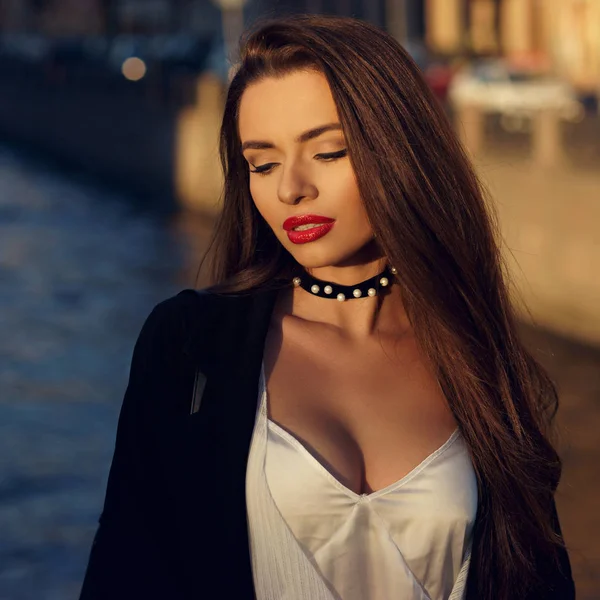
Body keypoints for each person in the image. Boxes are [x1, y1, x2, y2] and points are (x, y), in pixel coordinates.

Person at [79, 14, 575, 600]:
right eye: (261, 164)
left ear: (397, 152)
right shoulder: (190, 345)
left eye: (329, 151)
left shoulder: (475, 355)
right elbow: (124, 574)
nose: (291, 188)